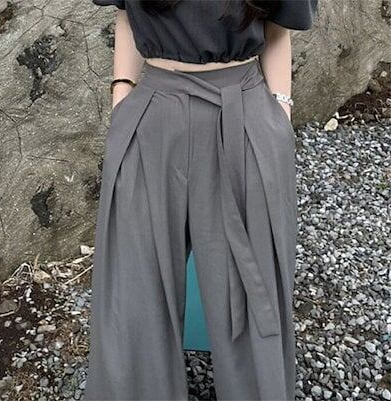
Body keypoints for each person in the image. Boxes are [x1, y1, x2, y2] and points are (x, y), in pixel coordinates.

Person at [84, 1, 318, 400]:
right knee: (134, 281)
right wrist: (122, 93)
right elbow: (125, 11)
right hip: (153, 112)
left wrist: (280, 113)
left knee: (251, 280)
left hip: (243, 111)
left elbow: (278, 28)